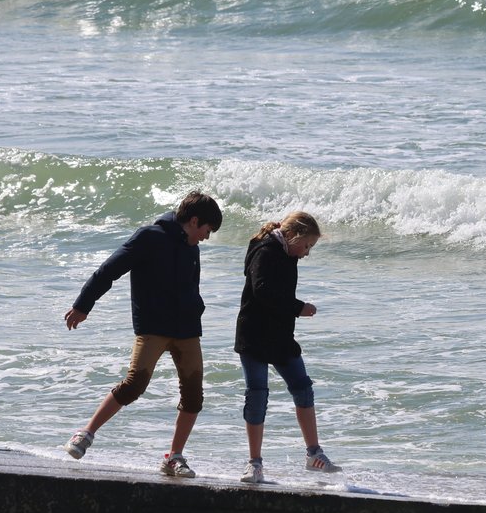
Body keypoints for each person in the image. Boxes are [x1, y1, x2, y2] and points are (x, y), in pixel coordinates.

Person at [62, 191, 223, 477]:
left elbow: (191, 289)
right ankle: (85, 434)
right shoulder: (149, 237)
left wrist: (196, 309)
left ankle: (174, 457)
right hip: (153, 328)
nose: (206, 238)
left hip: (187, 330)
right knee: (134, 384)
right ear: (195, 220)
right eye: (207, 230)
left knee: (194, 396)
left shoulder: (191, 248)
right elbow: (107, 271)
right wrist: (82, 305)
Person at [233, 210, 337, 484]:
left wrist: (293, 309)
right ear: (292, 236)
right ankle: (254, 463)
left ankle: (314, 454)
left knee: (303, 387)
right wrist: (298, 307)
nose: (306, 253)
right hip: (254, 337)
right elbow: (262, 291)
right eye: (307, 246)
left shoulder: (288, 254)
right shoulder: (266, 251)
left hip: (280, 337)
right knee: (257, 394)